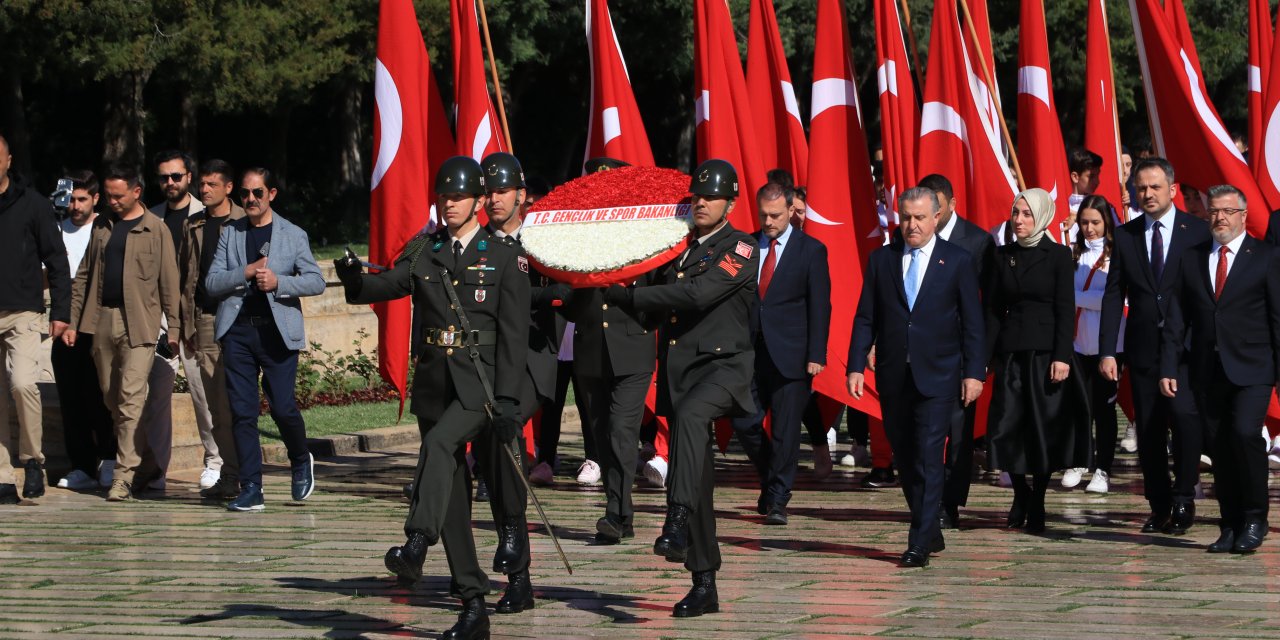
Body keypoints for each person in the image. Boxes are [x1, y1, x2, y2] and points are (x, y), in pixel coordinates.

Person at [334, 156, 530, 638]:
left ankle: (417, 541)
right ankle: (473, 603)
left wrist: (508, 402)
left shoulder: (504, 255)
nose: (450, 204)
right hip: (436, 387)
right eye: (444, 196)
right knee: (454, 503)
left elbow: (513, 335)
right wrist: (353, 277)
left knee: (440, 447)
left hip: (479, 390)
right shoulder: (426, 250)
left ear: (480, 201)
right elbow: (385, 285)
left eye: (459, 197)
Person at [605, 159, 758, 617]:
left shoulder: (742, 248)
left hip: (724, 370)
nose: (702, 204)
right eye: (697, 197)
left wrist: (632, 296)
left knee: (691, 420)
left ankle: (674, 518)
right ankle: (704, 582)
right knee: (699, 479)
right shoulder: (677, 250)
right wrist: (613, 284)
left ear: (730, 203)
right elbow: (658, 309)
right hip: (683, 375)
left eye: (712, 197)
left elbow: (697, 295)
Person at [848, 186, 984, 567]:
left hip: (939, 375)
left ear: (936, 217)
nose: (912, 225)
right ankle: (930, 529)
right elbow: (865, 316)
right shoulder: (882, 261)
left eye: (920, 217)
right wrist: (856, 363)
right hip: (893, 376)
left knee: (927, 455)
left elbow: (973, 323)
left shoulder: (955, 261)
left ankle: (918, 543)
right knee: (905, 457)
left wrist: (973, 373)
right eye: (906, 217)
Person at [1160, 185, 1280, 553]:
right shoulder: (1192, 257)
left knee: (1245, 434)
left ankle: (1255, 518)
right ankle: (1229, 524)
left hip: (1254, 367)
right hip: (1206, 370)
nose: (1220, 218)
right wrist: (1169, 365)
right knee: (1221, 446)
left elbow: (1277, 317)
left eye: (1228, 211)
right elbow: (1176, 317)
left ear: (1243, 216)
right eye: (1214, 211)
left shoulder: (1266, 256)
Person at [1099, 157, 1210, 535]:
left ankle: (1184, 498)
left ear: (1172, 190)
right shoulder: (1127, 236)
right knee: (1148, 430)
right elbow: (1114, 295)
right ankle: (1159, 504)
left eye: (1154, 187)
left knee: (1184, 419)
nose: (1146, 194)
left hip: (1186, 349)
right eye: (1140, 188)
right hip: (1143, 348)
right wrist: (1108, 350)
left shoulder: (1197, 231)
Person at [204, 168, 324, 512]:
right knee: (242, 413)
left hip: (276, 332)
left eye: (257, 193)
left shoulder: (292, 234)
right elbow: (211, 283)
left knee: (283, 407)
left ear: (271, 194)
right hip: (238, 331)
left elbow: (315, 281)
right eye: (245, 194)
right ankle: (252, 487)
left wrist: (280, 283)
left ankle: (301, 458)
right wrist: (244, 272)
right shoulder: (232, 232)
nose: (251, 200)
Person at [476, 151, 565, 612]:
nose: (494, 199)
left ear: (521, 196)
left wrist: (530, 293)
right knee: (494, 458)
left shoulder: (540, 241)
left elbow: (565, 289)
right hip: (485, 363)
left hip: (531, 362)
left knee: (504, 435)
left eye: (502, 191)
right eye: (488, 192)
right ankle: (517, 575)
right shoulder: (475, 244)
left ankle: (512, 538)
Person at [64, 164, 179, 502]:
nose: (112, 201)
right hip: (102, 320)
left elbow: (170, 285)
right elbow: (83, 276)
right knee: (112, 398)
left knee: (130, 398)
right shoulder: (102, 226)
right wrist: (72, 322)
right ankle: (144, 464)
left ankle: (123, 477)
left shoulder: (156, 230)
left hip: (140, 324)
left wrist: (173, 329)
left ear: (136, 192)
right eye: (109, 196)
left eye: (118, 196)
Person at [984, 189, 1091, 533]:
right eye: (1015, 213)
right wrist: (986, 356)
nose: (1019, 221)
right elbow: (993, 310)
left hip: (1046, 355)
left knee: (1042, 428)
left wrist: (1062, 355)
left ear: (1042, 216)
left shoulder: (1058, 255)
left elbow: (1064, 307)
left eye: (1027, 214)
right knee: (1007, 426)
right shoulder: (1002, 256)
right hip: (1011, 353)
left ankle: (1040, 498)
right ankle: (1020, 492)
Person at [730, 181, 830, 526]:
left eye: (775, 215)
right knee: (744, 420)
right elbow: (728, 287)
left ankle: (777, 500)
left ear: (791, 211)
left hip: (792, 354)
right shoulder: (744, 247)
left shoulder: (811, 251)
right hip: (749, 351)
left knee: (787, 432)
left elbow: (821, 306)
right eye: (763, 215)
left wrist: (817, 353)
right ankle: (771, 474)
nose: (768, 221)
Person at [916, 173, 994, 529]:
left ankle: (951, 502)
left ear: (950, 206)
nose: (927, 216)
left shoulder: (976, 242)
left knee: (958, 434)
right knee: (923, 434)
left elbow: (986, 309)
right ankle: (926, 499)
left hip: (961, 357)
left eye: (937, 209)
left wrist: (978, 365)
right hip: (919, 354)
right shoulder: (911, 237)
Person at [0, 134, 71, 503]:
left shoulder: (34, 205)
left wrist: (61, 312)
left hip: (23, 312)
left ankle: (32, 461)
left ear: (9, 159)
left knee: (24, 384)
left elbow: (57, 261)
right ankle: (0, 475)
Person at [149, 150, 217, 489]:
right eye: (164, 177)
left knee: (202, 392)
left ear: (189, 177)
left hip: (193, 315)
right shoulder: (151, 217)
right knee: (154, 397)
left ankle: (215, 459)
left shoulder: (205, 215)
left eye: (176, 176)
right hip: (159, 316)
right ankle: (155, 470)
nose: (170, 183)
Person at [180, 159, 244, 500]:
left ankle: (247, 473)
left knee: (237, 402)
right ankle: (230, 474)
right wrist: (185, 323)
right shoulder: (194, 225)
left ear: (228, 188)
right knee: (215, 405)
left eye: (211, 185)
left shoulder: (244, 222)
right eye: (202, 184)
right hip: (205, 320)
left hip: (238, 319)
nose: (204, 190)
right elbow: (186, 278)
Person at [52, 171, 117, 492]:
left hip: (97, 325)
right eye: (71, 200)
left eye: (82, 199)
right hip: (62, 325)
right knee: (71, 400)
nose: (75, 206)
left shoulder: (105, 229)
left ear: (95, 199)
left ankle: (108, 458)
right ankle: (81, 465)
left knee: (100, 397)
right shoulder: (55, 231)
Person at [1063, 196, 1124, 494]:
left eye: (1095, 223)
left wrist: (1074, 298)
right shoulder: (1072, 253)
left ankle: (1104, 468)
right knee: (1079, 406)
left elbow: (1111, 300)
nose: (1089, 229)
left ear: (1107, 223)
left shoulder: (1116, 255)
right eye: (1084, 222)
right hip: (1076, 345)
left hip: (1109, 346)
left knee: (1104, 409)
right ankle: (1079, 460)